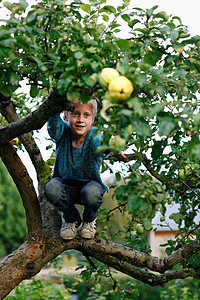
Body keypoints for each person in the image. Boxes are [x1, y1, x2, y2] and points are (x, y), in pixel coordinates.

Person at [44, 99, 108, 240]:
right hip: (65, 187)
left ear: (92, 119)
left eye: (86, 115)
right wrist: (58, 99)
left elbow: (100, 143)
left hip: (89, 187)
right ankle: (71, 219)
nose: (80, 120)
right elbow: (53, 125)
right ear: (65, 116)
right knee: (51, 188)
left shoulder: (94, 134)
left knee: (92, 192)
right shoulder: (63, 132)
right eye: (75, 114)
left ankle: (89, 221)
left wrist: (111, 145)